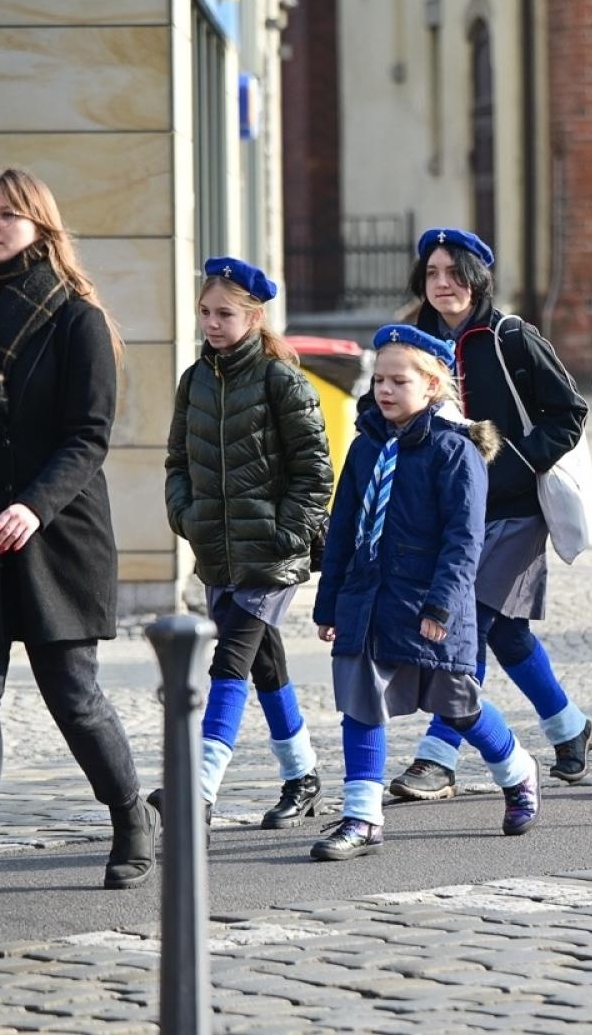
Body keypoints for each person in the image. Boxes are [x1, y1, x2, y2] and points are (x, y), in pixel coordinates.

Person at [0, 168, 155, 918]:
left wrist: (33, 507)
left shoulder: (77, 318)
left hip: (57, 532)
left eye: (7, 213)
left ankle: (131, 815)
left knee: (72, 694)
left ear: (41, 225)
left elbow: (89, 436)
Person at [382, 228, 592, 803]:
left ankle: (437, 757)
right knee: (505, 630)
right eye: (432, 273)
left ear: (477, 280)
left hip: (512, 510)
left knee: (462, 616)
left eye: (454, 273)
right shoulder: (415, 342)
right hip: (447, 516)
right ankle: (570, 729)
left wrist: (510, 467)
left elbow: (568, 413)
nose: (442, 283)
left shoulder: (510, 337)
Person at [311, 324, 541, 859]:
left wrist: (440, 605)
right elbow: (343, 525)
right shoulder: (368, 445)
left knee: (457, 705)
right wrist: (330, 602)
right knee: (361, 703)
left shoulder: (454, 451)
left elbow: (464, 540)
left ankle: (517, 769)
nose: (384, 390)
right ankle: (363, 817)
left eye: (398, 381)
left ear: (433, 384)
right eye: (379, 380)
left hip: (430, 603)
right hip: (367, 600)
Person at [160, 256, 331, 834]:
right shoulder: (195, 379)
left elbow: (315, 472)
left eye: (225, 314)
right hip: (217, 552)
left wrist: (286, 534)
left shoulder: (282, 379)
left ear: (255, 318)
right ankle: (302, 777)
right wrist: (186, 516)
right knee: (263, 663)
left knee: (229, 659)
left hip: (270, 555)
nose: (212, 323)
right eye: (206, 312)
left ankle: (198, 787)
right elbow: (178, 461)